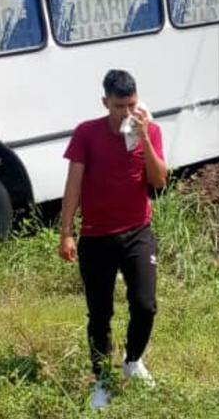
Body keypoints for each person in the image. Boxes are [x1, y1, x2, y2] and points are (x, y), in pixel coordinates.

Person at [59, 69, 168, 409]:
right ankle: (102, 382)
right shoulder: (86, 133)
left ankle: (133, 361)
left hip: (138, 231)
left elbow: (160, 181)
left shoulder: (149, 130)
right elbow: (73, 184)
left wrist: (145, 137)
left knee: (145, 304)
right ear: (105, 102)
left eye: (131, 105)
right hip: (96, 236)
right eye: (119, 106)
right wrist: (66, 232)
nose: (126, 113)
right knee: (100, 313)